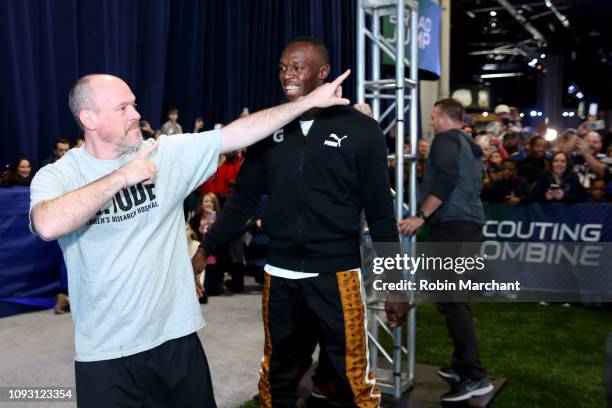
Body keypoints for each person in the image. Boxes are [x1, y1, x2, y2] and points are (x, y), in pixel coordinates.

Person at [29, 71, 350, 407]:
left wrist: (306, 103)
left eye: (134, 104)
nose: (136, 114)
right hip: (106, 355)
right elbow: (48, 223)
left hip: (176, 342)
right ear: (89, 119)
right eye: (123, 108)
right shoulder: (61, 175)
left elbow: (235, 134)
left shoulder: (164, 153)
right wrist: (122, 177)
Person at [192, 37, 402, 408]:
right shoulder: (268, 130)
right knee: (278, 374)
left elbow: (381, 213)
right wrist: (206, 248)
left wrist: (394, 285)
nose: (287, 75)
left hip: (337, 273)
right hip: (281, 273)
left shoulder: (361, 129)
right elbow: (242, 200)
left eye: (297, 67)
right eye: (283, 67)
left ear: (323, 73)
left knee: (352, 376)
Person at [398, 98, 493, 402]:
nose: (431, 120)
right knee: (452, 300)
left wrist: (420, 217)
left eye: (433, 115)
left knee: (453, 301)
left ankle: (475, 376)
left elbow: (447, 180)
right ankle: (462, 364)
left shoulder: (445, 140)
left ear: (443, 118)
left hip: (454, 227)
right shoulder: (469, 143)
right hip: (467, 227)